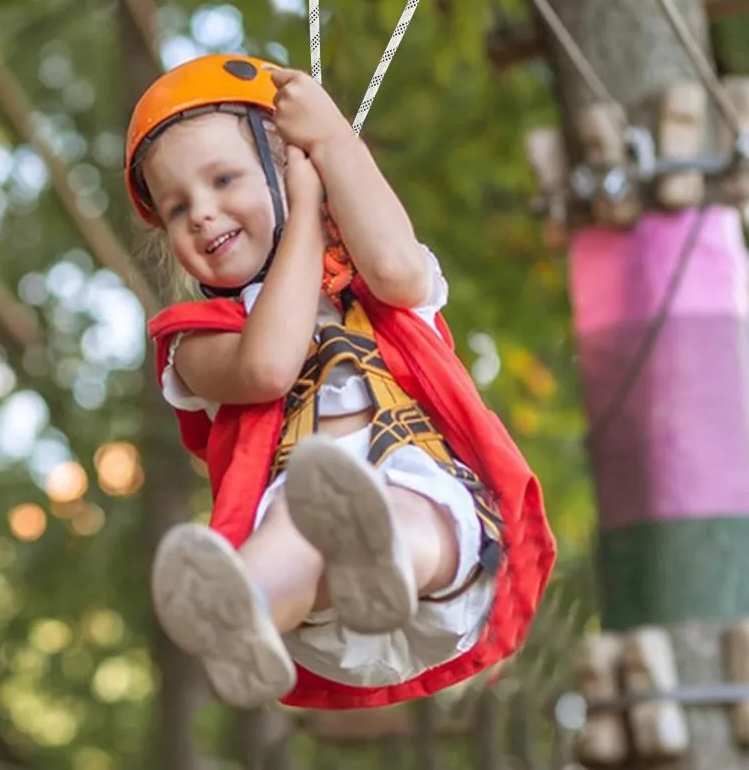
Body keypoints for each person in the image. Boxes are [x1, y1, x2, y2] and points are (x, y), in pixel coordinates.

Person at [125, 53, 555, 710]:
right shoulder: (194, 340)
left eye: (223, 180)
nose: (203, 214)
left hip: (431, 559)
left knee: (404, 505)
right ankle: (247, 613)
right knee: (301, 513)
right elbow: (269, 366)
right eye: (178, 207)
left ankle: (380, 563)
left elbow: (398, 269)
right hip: (322, 609)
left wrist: (329, 141)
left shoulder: (372, 279)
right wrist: (301, 217)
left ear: (287, 169)